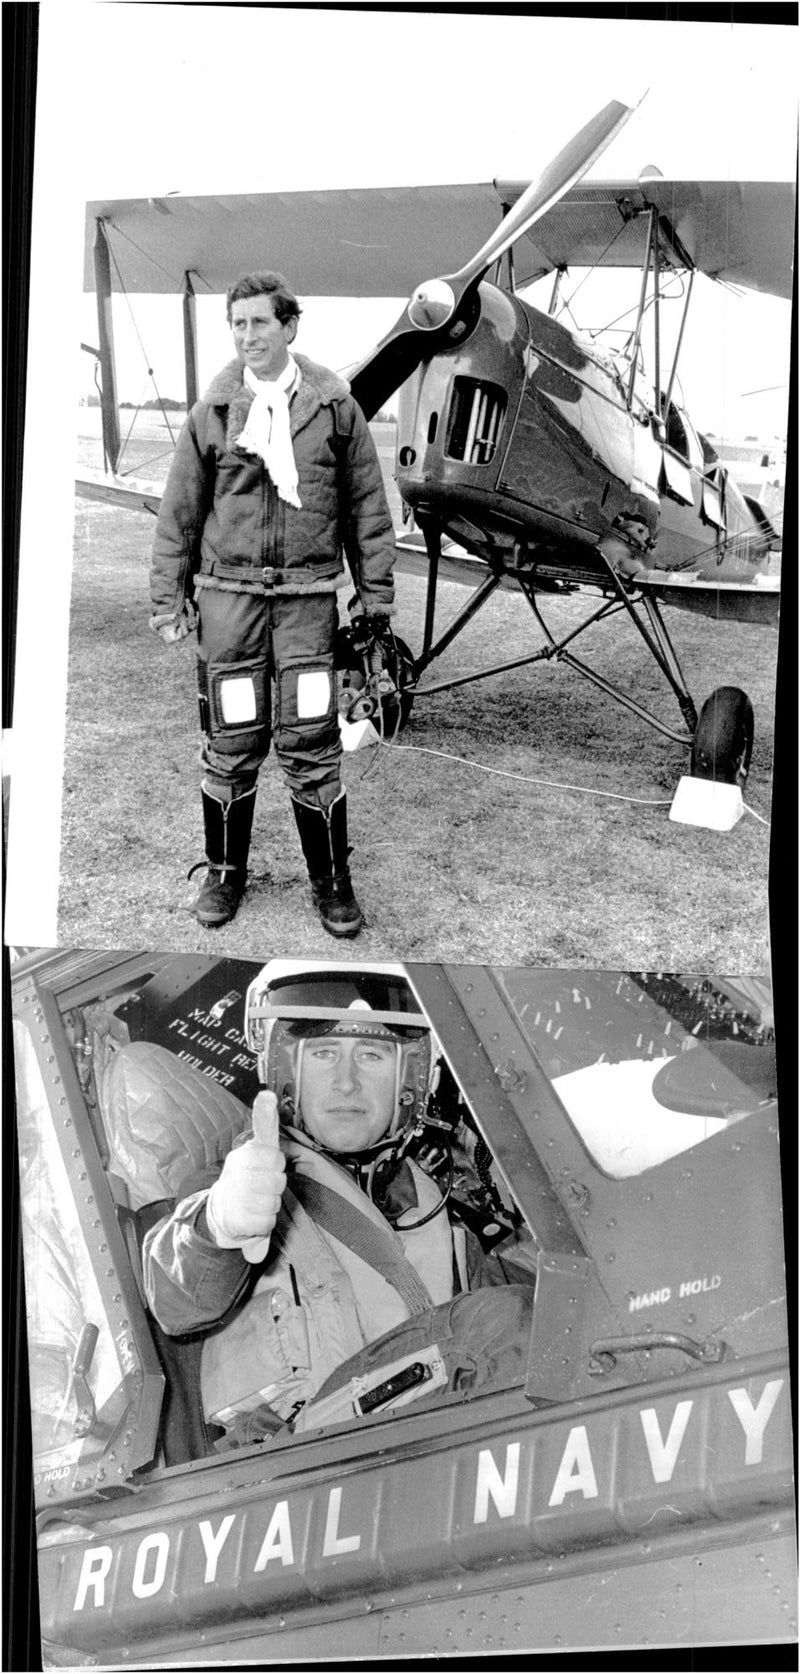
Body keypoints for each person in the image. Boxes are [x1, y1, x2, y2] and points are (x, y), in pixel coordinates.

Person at [143, 964, 534, 1444]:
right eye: (324, 1053)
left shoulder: (432, 1205)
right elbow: (177, 1297)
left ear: (410, 1077)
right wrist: (221, 1224)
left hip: (427, 1433)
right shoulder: (243, 1186)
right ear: (286, 1071)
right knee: (499, 1322)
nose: (346, 1082)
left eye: (371, 1055)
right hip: (305, 1459)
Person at [148, 272, 397, 937]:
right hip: (228, 604)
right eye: (237, 325)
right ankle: (226, 875)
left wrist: (373, 596)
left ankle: (332, 884)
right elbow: (179, 514)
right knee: (230, 743)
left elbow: (368, 511)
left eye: (259, 323)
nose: (247, 336)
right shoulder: (213, 413)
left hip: (307, 604)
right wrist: (166, 598)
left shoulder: (336, 411)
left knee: (312, 743)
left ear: (289, 327)